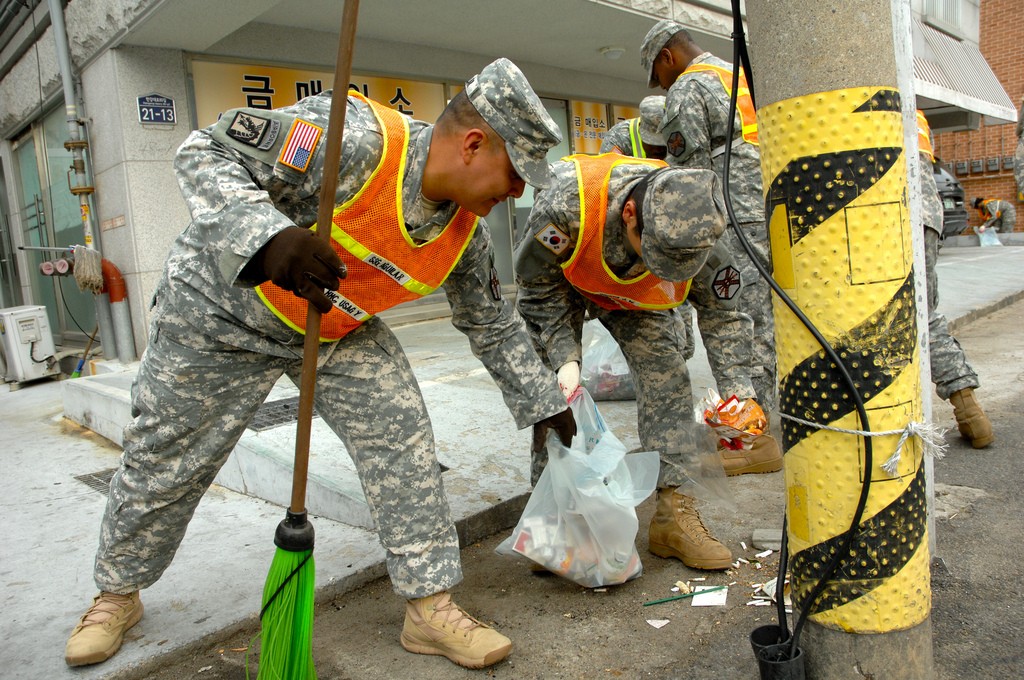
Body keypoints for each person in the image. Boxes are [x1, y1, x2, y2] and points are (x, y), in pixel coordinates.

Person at [63, 58, 577, 671]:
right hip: (221, 314)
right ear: (473, 143)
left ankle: (429, 608)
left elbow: (491, 323)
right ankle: (117, 592)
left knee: (401, 435)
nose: (517, 193)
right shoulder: (352, 140)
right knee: (166, 454)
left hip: (331, 328)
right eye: (516, 174)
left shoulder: (465, 235)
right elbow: (205, 150)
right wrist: (267, 236)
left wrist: (542, 401)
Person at [515, 153, 775, 571]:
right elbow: (536, 292)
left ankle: (673, 518)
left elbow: (724, 313)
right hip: (563, 286)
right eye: (660, 256)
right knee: (556, 404)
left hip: (637, 300)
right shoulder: (565, 208)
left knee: (669, 380)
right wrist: (565, 357)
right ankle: (554, 525)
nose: (671, 270)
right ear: (630, 214)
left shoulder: (699, 231)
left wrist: (739, 393)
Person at [639, 19, 782, 474]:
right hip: (765, 208)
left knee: (736, 320)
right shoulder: (733, 76)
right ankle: (770, 425)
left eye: (656, 74)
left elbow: (689, 181)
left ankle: (752, 439)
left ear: (667, 57)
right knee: (764, 321)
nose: (660, 84)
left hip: (732, 216)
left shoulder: (686, 88)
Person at [917, 112, 994, 448]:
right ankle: (969, 410)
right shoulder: (910, 105)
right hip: (926, 215)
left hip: (879, 208)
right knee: (925, 314)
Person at [601, 95, 696, 362]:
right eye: (652, 145)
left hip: (670, 223)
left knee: (677, 285)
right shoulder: (620, 138)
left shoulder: (681, 136)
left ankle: (681, 347)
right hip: (635, 222)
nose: (659, 151)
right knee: (646, 293)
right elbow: (608, 184)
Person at [600, 95, 668, 160]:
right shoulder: (618, 137)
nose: (658, 149)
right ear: (640, 128)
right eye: (651, 142)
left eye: (663, 143)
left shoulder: (677, 132)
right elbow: (607, 168)